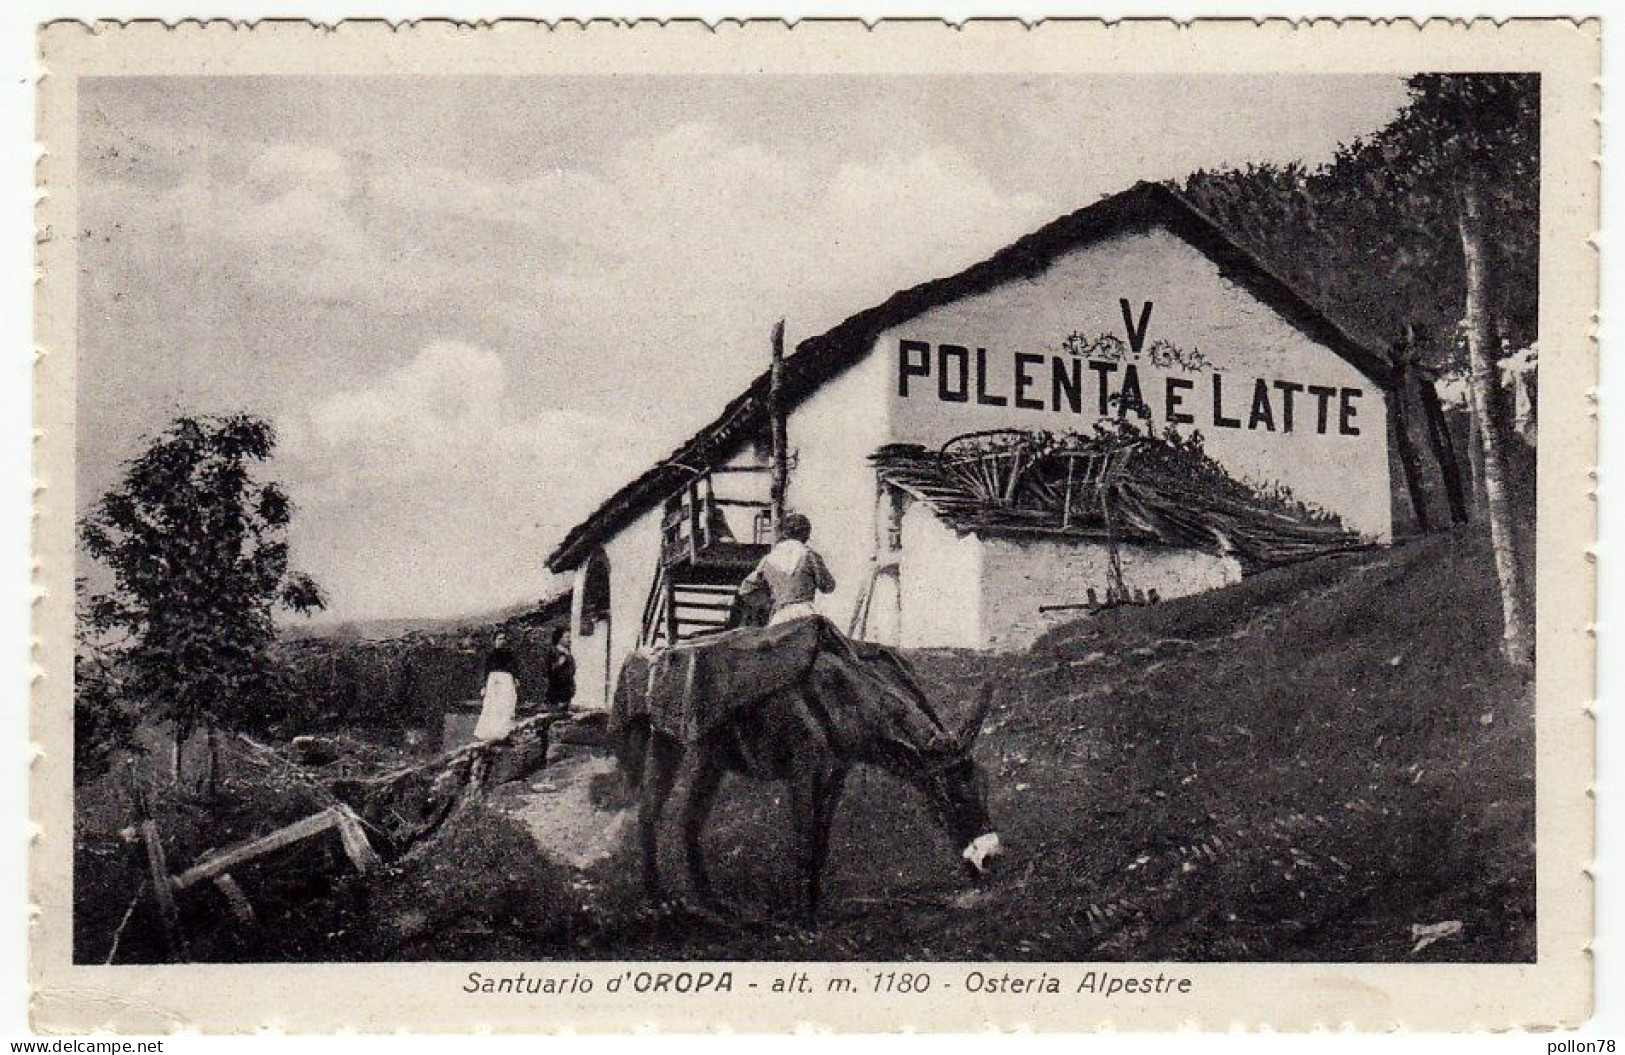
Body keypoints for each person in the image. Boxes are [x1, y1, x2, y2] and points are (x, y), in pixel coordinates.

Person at [737, 511, 836, 626]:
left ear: (785, 533)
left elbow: (745, 589)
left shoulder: (769, 559)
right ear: (806, 534)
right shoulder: (810, 555)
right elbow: (828, 587)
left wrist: (768, 603)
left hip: (779, 617)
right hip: (805, 615)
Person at [473, 633, 520, 741]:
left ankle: (504, 732)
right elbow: (485, 671)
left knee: (506, 704)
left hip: (507, 681)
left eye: (504, 639)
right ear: (494, 641)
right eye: (499, 639)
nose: (502, 641)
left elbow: (515, 668)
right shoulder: (490, 655)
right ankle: (490, 733)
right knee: (493, 705)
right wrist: (483, 686)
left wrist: (516, 678)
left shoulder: (510, 655)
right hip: (493, 682)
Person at [544, 627, 576, 713]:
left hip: (567, 689)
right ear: (559, 638)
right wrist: (558, 664)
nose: (569, 640)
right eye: (567, 637)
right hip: (557, 690)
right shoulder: (554, 651)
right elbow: (550, 670)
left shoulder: (567, 652)